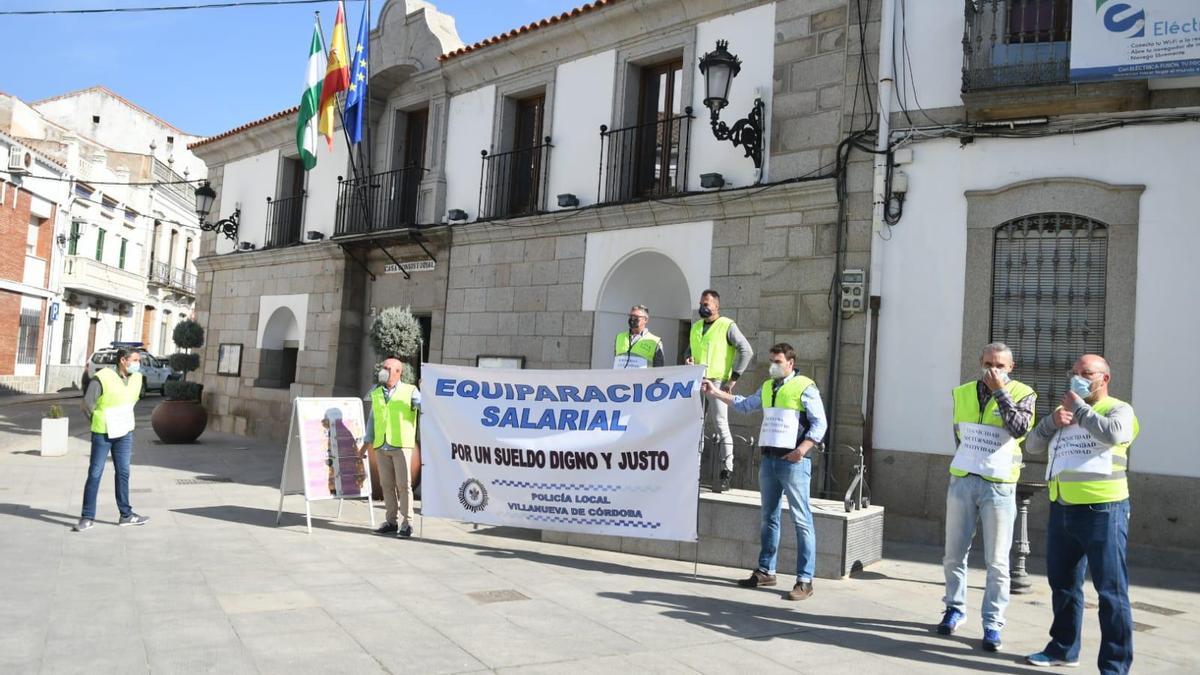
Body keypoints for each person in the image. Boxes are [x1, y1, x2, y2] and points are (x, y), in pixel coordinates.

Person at [1024, 355, 1139, 673]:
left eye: (1086, 373)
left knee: (1111, 591)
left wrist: (1080, 409)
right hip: (1062, 507)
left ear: (1105, 378)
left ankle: (1115, 667)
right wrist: (1051, 422)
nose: (1078, 378)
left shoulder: (1119, 408)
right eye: (1074, 373)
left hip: (1104, 509)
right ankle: (1063, 648)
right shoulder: (1066, 413)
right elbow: (1032, 446)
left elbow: (1113, 434)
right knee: (1063, 584)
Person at [701, 343, 825, 601]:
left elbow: (819, 422)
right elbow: (746, 405)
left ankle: (805, 580)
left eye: (777, 361)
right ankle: (766, 570)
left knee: (801, 520)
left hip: (793, 461)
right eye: (771, 360)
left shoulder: (805, 386)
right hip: (769, 459)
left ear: (790, 363)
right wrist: (715, 393)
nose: (773, 365)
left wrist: (802, 450)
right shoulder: (769, 386)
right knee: (769, 517)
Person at [938, 342, 1037, 652]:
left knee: (996, 561)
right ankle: (954, 608)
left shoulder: (1023, 393)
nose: (994, 369)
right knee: (954, 553)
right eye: (989, 363)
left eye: (1001, 365)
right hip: (964, 480)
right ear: (980, 362)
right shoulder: (962, 391)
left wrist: (1000, 392)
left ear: (1012, 367)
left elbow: (1019, 428)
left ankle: (993, 623)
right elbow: (959, 433)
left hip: (999, 485)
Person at [684, 289, 753, 491]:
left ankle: (726, 472)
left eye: (706, 304)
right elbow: (690, 350)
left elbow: (746, 350)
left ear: (716, 306)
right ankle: (694, 472)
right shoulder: (696, 326)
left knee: (721, 425)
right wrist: (687, 358)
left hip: (716, 381)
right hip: (697, 380)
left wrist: (733, 379)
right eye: (701, 303)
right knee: (697, 426)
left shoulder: (726, 325)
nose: (702, 307)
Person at [74, 348, 149, 531]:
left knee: (123, 473)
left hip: (124, 433)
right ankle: (87, 517)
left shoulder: (137, 378)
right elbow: (87, 405)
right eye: (135, 360)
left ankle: (126, 515)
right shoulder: (103, 377)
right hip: (103, 433)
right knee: (95, 473)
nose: (138, 363)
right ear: (123, 360)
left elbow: (131, 400)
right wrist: (99, 420)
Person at [364, 357, 422, 538]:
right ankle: (391, 521)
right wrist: (367, 444)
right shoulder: (376, 390)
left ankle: (407, 524)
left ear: (398, 372)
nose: (384, 371)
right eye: (384, 367)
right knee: (386, 485)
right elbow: (372, 420)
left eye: (388, 368)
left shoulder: (411, 391)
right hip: (381, 446)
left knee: (404, 486)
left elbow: (425, 407)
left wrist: (426, 390)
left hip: (401, 446)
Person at [613, 304, 664, 369]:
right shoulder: (619, 337)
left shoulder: (655, 341)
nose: (632, 319)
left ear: (645, 320)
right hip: (620, 378)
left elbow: (659, 371)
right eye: (631, 316)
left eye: (636, 317)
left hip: (642, 379)